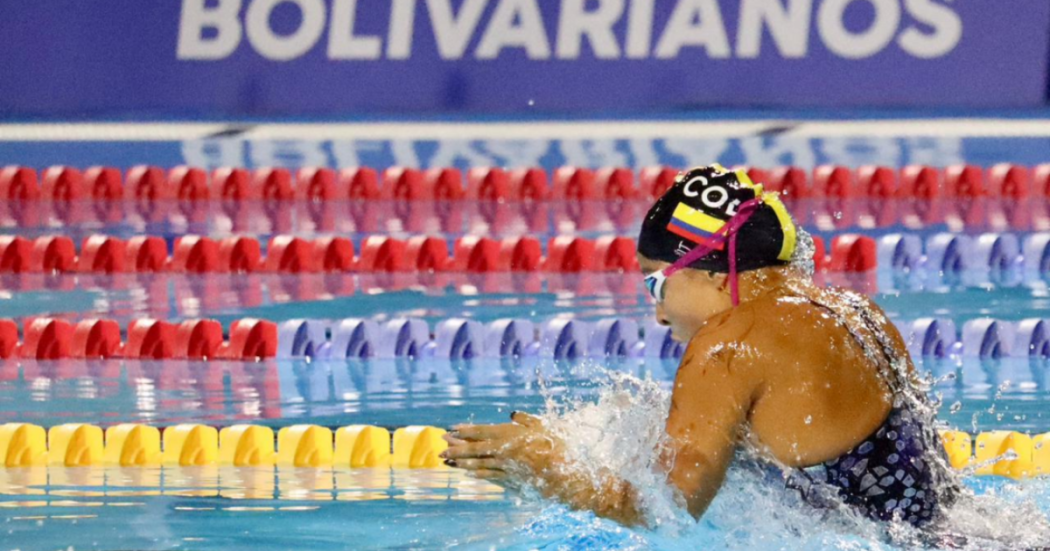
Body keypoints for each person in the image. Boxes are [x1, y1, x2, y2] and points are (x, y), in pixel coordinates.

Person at [441, 164, 954, 528]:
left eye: (654, 284)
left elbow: (666, 512)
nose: (659, 313)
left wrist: (551, 472)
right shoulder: (858, 312)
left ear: (708, 269)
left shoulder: (729, 343)